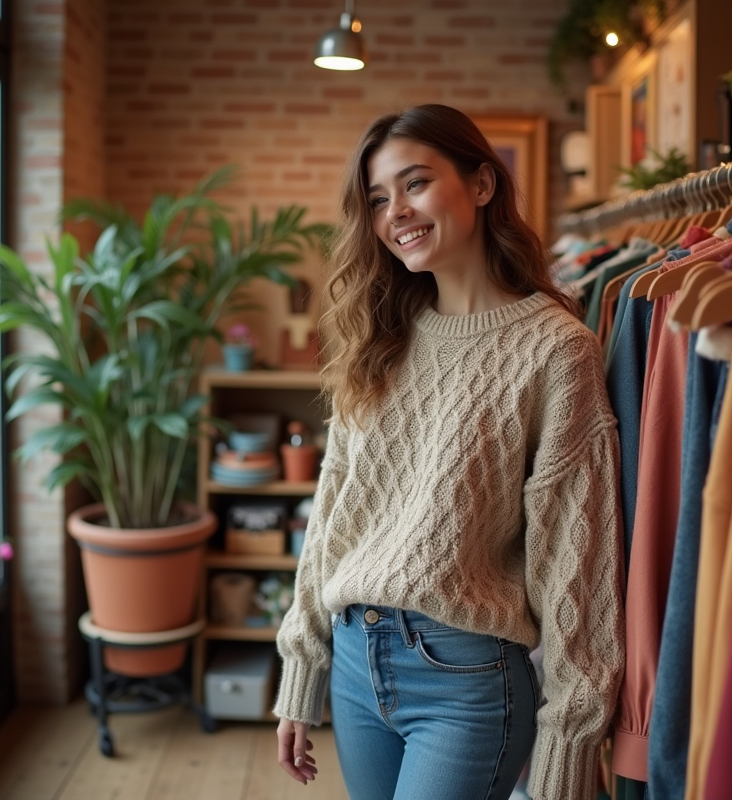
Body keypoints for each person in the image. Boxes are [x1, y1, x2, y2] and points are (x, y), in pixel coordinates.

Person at [273, 103, 625, 800]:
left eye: (416, 184)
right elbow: (334, 517)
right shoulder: (380, 335)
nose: (395, 211)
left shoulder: (557, 350)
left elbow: (575, 568)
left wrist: (566, 756)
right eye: (378, 199)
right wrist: (301, 668)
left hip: (465, 682)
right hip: (353, 662)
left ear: (483, 185)